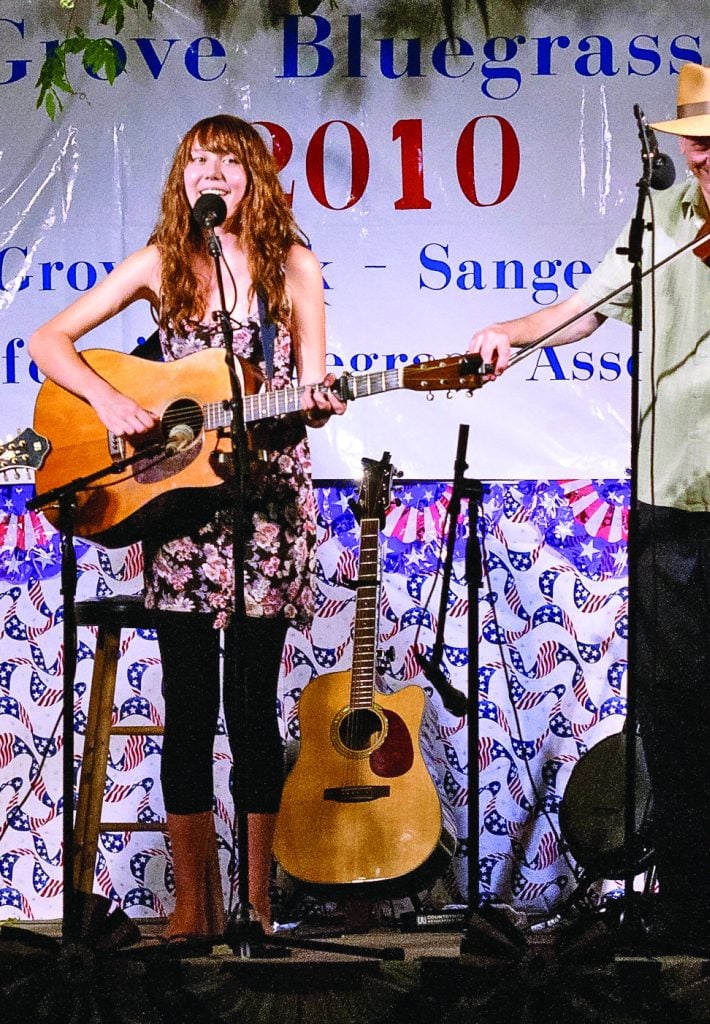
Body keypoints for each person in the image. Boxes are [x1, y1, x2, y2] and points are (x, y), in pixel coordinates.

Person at [468, 60, 710, 957]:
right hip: (666, 495)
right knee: (671, 714)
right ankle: (687, 899)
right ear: (681, 146)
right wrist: (514, 336)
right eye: (701, 142)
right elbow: (592, 309)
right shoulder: (659, 218)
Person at [28, 114, 346, 941]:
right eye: (199, 160)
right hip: (183, 512)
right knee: (188, 705)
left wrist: (306, 404)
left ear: (254, 179)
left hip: (268, 511)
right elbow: (47, 339)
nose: (212, 174)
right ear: (184, 177)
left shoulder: (294, 268)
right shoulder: (161, 264)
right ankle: (192, 907)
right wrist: (109, 399)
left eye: (229, 163)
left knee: (251, 709)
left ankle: (259, 906)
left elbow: (307, 387)